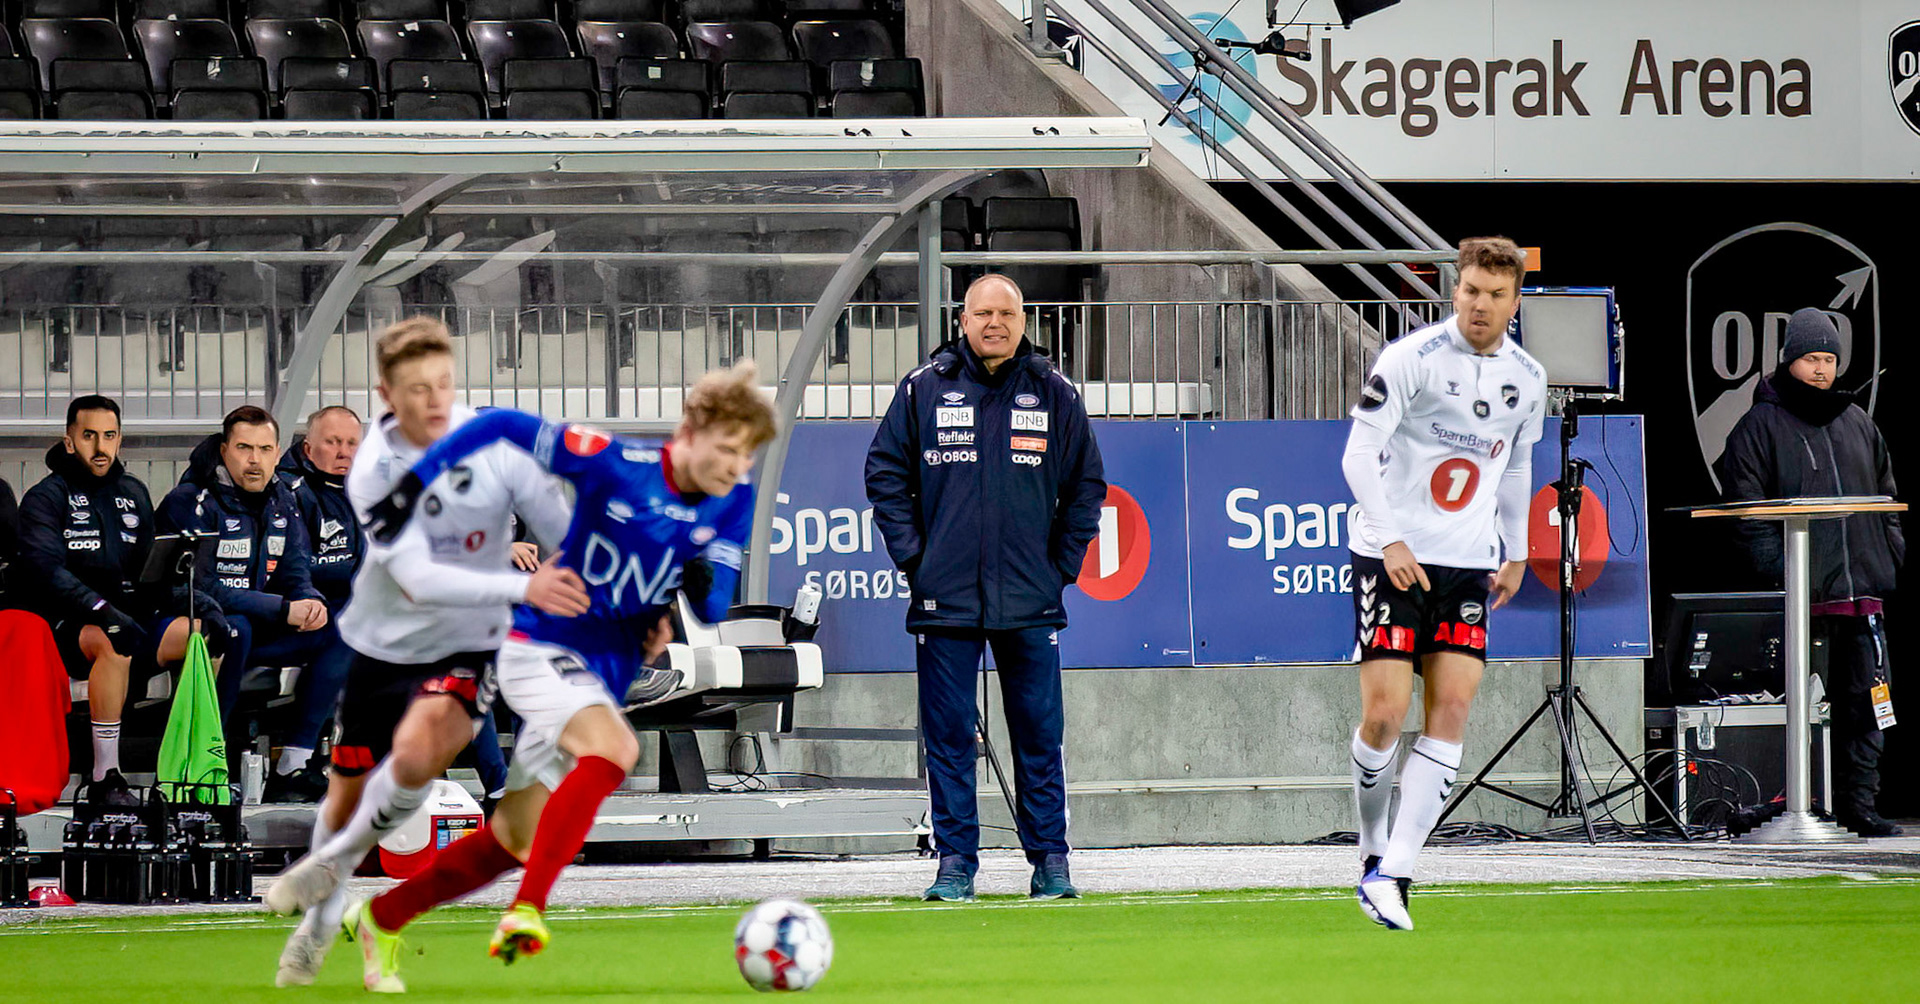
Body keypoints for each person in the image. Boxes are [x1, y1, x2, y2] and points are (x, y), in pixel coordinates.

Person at [337, 361, 776, 990]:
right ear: (690, 429)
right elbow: (500, 423)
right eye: (729, 450)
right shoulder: (612, 462)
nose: (737, 467)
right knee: (616, 749)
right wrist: (415, 483)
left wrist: (696, 584)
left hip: (605, 669)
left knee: (512, 839)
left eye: (748, 457)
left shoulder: (734, 498)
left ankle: (382, 916)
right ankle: (527, 911)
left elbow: (712, 605)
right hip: (542, 644)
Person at [266, 317, 585, 988]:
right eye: (417, 389)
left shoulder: (493, 444)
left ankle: (336, 868)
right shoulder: (374, 472)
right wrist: (525, 579)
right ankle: (318, 927)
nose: (436, 400)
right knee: (349, 794)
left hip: (465, 641)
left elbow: (561, 525)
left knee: (420, 751)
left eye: (444, 383)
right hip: (383, 645)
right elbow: (419, 575)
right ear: (387, 393)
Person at [865, 273, 1106, 903]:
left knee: (1038, 736)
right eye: (982, 313)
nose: (994, 323)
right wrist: (917, 561)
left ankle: (1051, 863)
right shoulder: (923, 388)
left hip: (1031, 598)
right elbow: (884, 473)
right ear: (963, 319)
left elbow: (1086, 486)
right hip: (945, 600)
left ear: (1024, 320)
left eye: (1006, 312)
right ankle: (955, 866)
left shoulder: (1054, 391)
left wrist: (1061, 568)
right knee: (947, 739)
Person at [1341, 237, 1545, 931]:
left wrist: (1516, 552)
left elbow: (1516, 468)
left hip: (1466, 562)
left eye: (1493, 294)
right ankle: (1372, 846)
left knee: (1452, 708)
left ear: (1515, 301)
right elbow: (1358, 453)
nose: (1479, 305)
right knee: (1384, 717)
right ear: (1454, 291)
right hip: (1389, 552)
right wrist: (1391, 538)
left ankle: (1396, 872)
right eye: (1469, 292)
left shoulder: (1529, 377)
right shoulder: (1411, 360)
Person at [1717, 307, 1905, 838]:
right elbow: (1745, 513)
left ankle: (1858, 805)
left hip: (1861, 592)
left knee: (1868, 703)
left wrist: (1887, 559)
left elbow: (1886, 497)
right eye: (1810, 358)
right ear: (1789, 361)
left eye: (1828, 359)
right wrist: (1784, 576)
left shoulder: (1858, 422)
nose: (1821, 369)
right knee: (1797, 708)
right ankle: (1790, 804)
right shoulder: (1759, 425)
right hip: (1800, 598)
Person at [16, 395, 217, 804]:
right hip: (69, 624)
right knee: (112, 640)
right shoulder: (46, 496)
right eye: (89, 435)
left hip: (131, 619)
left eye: (109, 436)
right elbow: (46, 573)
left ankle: (191, 764)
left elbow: (149, 570)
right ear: (70, 441)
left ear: (120, 439)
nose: (100, 446)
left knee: (198, 632)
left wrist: (197, 600)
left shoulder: (133, 491)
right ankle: (105, 775)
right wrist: (104, 610)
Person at [157, 405, 345, 801]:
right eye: (244, 448)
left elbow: (296, 569)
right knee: (234, 627)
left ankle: (294, 763)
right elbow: (201, 587)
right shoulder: (192, 501)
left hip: (261, 627)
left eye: (264, 449)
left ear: (278, 453)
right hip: (208, 625)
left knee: (342, 631)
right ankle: (212, 762)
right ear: (225, 450)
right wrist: (281, 608)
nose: (254, 460)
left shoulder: (283, 499)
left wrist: (310, 602)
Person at [268, 405, 367, 800]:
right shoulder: (291, 493)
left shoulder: (361, 491)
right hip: (291, 613)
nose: (344, 452)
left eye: (351, 443)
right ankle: (293, 763)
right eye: (333, 442)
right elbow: (294, 571)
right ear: (308, 449)